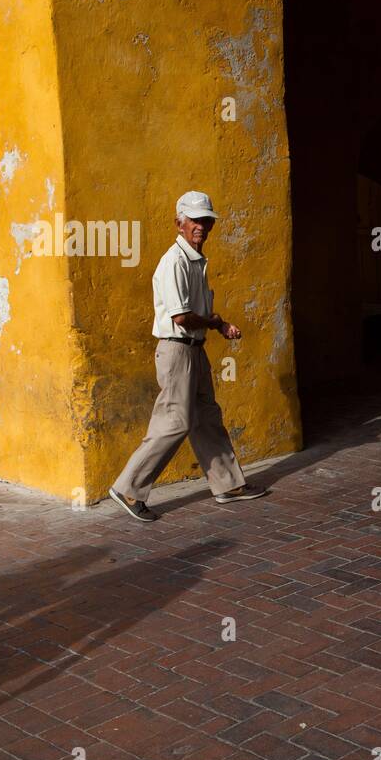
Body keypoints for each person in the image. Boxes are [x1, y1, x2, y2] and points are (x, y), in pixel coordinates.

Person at [108, 190, 269, 522]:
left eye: (206, 220)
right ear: (179, 223)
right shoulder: (175, 262)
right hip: (176, 350)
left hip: (195, 351)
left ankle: (228, 485)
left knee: (207, 417)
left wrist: (216, 324)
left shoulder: (196, 261)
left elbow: (194, 313)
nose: (202, 226)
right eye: (195, 220)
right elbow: (181, 317)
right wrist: (215, 322)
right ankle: (128, 488)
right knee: (175, 422)